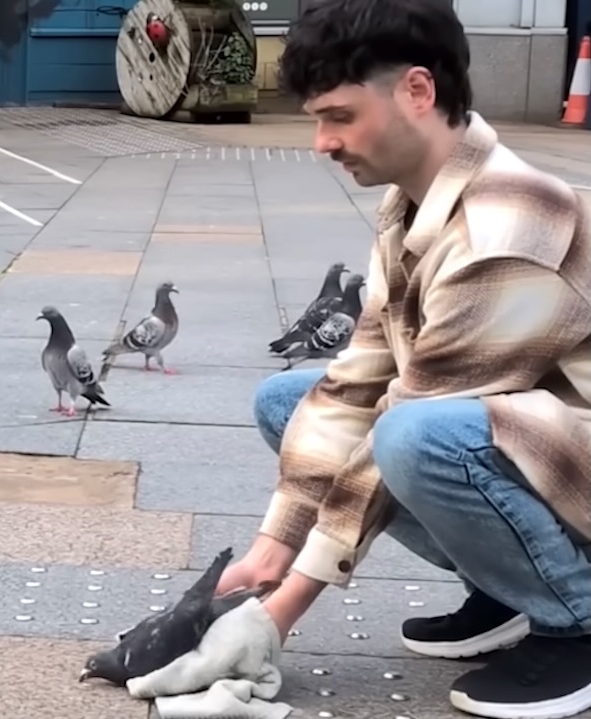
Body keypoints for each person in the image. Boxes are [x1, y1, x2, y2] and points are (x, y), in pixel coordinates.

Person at [217, 0, 591, 717]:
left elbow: (412, 413)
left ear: (418, 90)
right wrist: (269, 552)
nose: (322, 142)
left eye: (339, 116)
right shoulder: (414, 204)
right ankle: (507, 588)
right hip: (551, 458)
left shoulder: (510, 226)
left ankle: (575, 617)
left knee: (416, 437)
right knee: (290, 402)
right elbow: (357, 381)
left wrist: (277, 614)